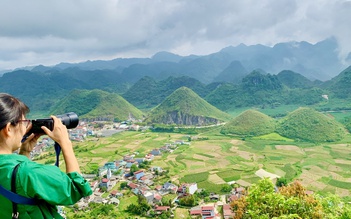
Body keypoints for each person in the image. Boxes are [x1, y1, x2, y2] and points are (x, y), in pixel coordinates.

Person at [0, 93, 92, 218]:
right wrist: (65, 142)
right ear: (8, 128)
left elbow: (15, 186)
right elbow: (75, 189)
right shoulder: (28, 172)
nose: (25, 128)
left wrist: (25, 152)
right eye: (23, 122)